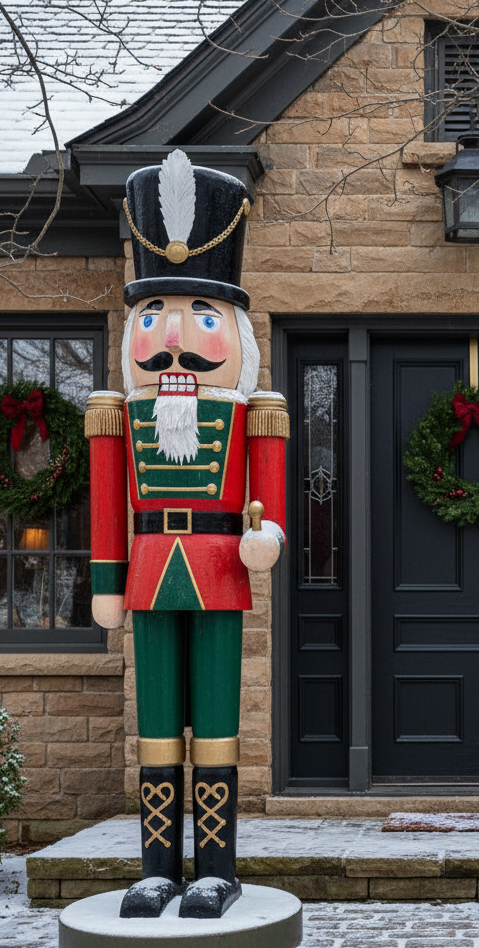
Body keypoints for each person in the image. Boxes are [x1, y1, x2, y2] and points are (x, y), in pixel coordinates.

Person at [85, 150, 289, 919]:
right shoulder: (118, 414)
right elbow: (109, 503)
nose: (175, 339)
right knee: (159, 724)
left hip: (216, 564)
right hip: (145, 567)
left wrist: (262, 540)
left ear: (234, 330)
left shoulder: (250, 411)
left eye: (202, 317)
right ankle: (156, 864)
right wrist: (106, 582)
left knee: (218, 722)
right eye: (154, 317)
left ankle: (217, 866)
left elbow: (265, 498)